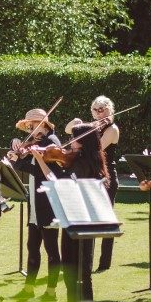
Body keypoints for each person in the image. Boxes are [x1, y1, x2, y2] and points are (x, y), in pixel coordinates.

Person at [42, 122, 109, 302]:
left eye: (75, 138)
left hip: (82, 221)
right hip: (73, 219)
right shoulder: (80, 159)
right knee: (72, 270)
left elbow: (62, 183)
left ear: (84, 141)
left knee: (81, 272)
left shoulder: (84, 162)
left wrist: (44, 161)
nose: (70, 142)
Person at [8, 108, 66, 300]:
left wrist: (19, 161)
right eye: (30, 126)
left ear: (45, 125)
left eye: (34, 125)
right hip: (36, 201)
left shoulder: (52, 143)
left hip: (48, 201)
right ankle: (28, 289)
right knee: (32, 245)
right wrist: (16, 150)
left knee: (51, 249)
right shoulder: (39, 142)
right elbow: (28, 163)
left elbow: (42, 172)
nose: (32, 129)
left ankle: (51, 291)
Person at [66, 96, 120, 271]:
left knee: (106, 218)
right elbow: (69, 130)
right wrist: (76, 122)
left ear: (110, 110)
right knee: (91, 218)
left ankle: (104, 263)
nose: (98, 113)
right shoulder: (91, 127)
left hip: (108, 176)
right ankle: (86, 260)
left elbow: (97, 149)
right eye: (95, 110)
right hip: (92, 176)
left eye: (102, 109)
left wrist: (90, 132)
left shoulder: (112, 129)